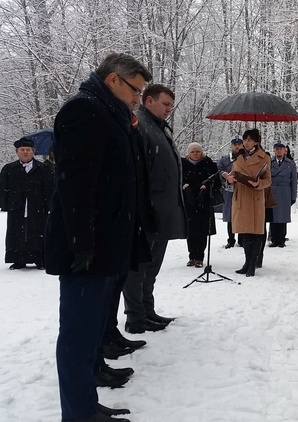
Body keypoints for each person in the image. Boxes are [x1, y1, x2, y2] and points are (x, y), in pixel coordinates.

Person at [46, 52, 153, 422]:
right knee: (77, 336)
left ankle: (86, 403)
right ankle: (77, 414)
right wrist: (83, 245)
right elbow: (75, 185)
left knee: (91, 331)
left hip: (106, 246)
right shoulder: (83, 112)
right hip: (87, 250)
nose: (138, 97)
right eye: (135, 90)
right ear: (113, 80)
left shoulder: (110, 113)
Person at [122, 84, 188, 334]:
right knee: (138, 267)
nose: (169, 109)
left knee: (151, 267)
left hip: (162, 211)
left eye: (172, 105)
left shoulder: (157, 126)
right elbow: (138, 171)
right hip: (148, 211)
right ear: (149, 101)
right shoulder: (140, 125)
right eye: (165, 104)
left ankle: (147, 310)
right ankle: (135, 316)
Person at [221, 129, 271, 277]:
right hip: (240, 196)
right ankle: (246, 262)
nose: (246, 143)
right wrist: (228, 178)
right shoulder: (238, 157)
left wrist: (258, 184)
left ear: (256, 141)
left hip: (255, 198)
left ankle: (252, 265)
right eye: (245, 140)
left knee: (255, 233)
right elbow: (233, 174)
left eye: (250, 140)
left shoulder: (264, 157)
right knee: (245, 234)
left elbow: (268, 180)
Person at [0, 138, 53, 270]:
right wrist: (5, 204)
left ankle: (40, 259)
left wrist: (50, 206)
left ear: (33, 152)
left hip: (37, 207)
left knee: (38, 232)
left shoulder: (43, 169)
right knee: (16, 232)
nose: (25, 152)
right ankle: (18, 260)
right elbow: (2, 188)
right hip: (16, 207)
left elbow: (49, 189)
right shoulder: (9, 169)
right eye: (22, 150)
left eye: (28, 150)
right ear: (17, 152)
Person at [182, 142, 221, 268]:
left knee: (202, 230)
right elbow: (178, 179)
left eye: (197, 151)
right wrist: (184, 186)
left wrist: (207, 186)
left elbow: (216, 182)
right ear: (188, 153)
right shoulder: (183, 164)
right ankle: (192, 256)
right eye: (193, 152)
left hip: (204, 201)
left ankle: (200, 257)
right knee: (191, 230)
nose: (195, 154)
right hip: (189, 201)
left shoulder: (208, 164)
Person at [268, 141, 298, 247]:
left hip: (285, 193)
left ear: (284, 150)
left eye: (281, 148)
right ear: (274, 150)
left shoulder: (290, 164)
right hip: (273, 192)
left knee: (283, 217)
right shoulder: (269, 162)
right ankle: (274, 239)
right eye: (277, 148)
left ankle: (281, 239)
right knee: (273, 217)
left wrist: (293, 196)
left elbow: (294, 181)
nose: (279, 150)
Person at [218, 137, 244, 248]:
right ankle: (231, 239)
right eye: (235, 144)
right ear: (231, 145)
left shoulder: (246, 159)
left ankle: (242, 239)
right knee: (230, 215)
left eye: (239, 144)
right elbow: (218, 170)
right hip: (229, 190)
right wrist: (225, 175)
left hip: (242, 190)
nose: (237, 146)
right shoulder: (224, 160)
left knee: (242, 214)